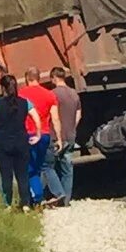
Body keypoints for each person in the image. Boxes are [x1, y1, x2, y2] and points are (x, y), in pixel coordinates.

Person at [0, 74, 42, 210]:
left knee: (6, 175)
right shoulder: (25, 102)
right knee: (22, 174)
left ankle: (7, 204)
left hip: (2, 143)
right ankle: (26, 204)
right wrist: (38, 134)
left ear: (2, 88)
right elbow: (36, 117)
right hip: (22, 141)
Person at [19, 67, 66, 206]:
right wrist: (59, 138)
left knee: (31, 168)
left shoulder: (21, 95)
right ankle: (59, 192)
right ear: (39, 78)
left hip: (28, 135)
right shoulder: (49, 95)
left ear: (27, 78)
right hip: (45, 135)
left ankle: (35, 199)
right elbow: (55, 118)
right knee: (47, 166)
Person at [50, 67, 81, 204]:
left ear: (54, 78)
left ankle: (56, 194)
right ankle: (66, 199)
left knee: (49, 167)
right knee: (68, 168)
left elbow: (51, 115)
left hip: (56, 136)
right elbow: (79, 114)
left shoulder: (52, 94)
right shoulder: (74, 94)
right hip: (71, 134)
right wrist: (72, 126)